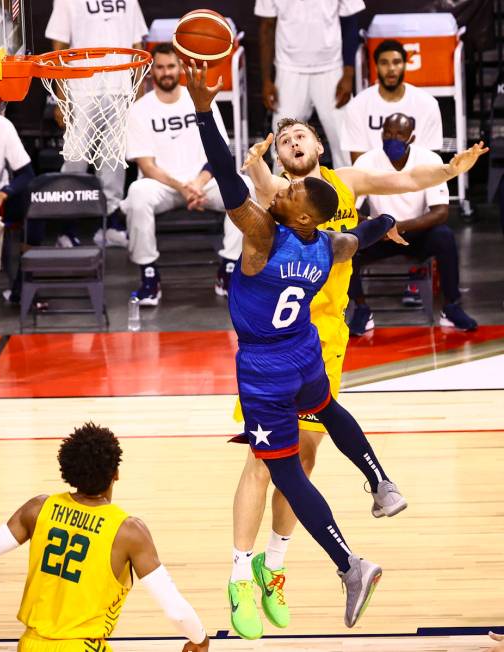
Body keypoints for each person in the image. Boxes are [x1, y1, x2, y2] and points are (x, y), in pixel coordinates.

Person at [183, 59, 487, 639]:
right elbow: (359, 236)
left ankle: (335, 564)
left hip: (273, 361)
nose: (284, 182)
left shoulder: (267, 230)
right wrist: (387, 224)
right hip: (305, 350)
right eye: (284, 161)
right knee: (305, 431)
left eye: (290, 185)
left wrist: (205, 112)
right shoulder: (326, 244)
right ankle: (366, 491)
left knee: (290, 466)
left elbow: (227, 181)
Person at [0, 422, 209, 652]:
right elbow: (175, 610)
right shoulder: (128, 531)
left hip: (30, 645)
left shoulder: (38, 508)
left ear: (68, 472)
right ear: (116, 473)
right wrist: (200, 639)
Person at [119, 43, 245, 304]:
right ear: (152, 71)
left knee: (245, 188)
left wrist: (198, 183)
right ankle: (149, 276)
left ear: (180, 69)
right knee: (136, 194)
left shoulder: (199, 99)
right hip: (163, 186)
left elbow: (219, 153)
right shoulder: (139, 109)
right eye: (160, 67)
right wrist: (182, 187)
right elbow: (146, 166)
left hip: (203, 183)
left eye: (171, 66)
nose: (166, 72)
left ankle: (229, 268)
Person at [348, 113, 477, 334]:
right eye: (388, 132)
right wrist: (379, 226)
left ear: (412, 137)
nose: (392, 138)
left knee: (444, 236)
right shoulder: (365, 162)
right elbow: (351, 210)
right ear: (381, 133)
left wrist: (400, 227)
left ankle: (451, 307)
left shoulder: (429, 160)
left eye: (399, 134)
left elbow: (440, 212)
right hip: (379, 233)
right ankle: (361, 309)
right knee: (347, 242)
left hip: (415, 232)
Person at [45, 0, 148, 248]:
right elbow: (59, 45)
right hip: (82, 89)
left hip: (120, 86)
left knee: (114, 158)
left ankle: (111, 223)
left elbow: (137, 44)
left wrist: (141, 91)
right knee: (75, 159)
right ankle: (66, 227)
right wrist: (61, 98)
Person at [256, 0, 365, 169]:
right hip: (289, 69)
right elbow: (266, 26)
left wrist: (348, 74)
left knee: (344, 141)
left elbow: (350, 22)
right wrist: (266, 80)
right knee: (283, 141)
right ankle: (284, 193)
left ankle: (350, 195)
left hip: (332, 68)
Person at [341, 39, 443, 163]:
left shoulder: (428, 104)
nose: (391, 68)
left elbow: (431, 160)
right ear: (376, 67)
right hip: (372, 179)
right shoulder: (357, 106)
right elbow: (358, 164)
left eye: (396, 62)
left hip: (417, 177)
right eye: (384, 63)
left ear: (405, 65)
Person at [0, 114, 36, 303]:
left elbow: (27, 174)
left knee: (31, 200)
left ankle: (23, 285)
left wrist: (2, 195)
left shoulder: (2, 125)